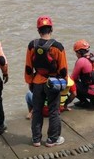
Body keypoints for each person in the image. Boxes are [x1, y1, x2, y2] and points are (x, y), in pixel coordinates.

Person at [25, 15, 68, 148]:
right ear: (51, 29)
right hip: (53, 83)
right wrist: (63, 84)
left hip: (37, 82)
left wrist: (30, 82)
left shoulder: (32, 45)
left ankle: (36, 139)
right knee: (53, 112)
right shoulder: (58, 47)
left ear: (38, 30)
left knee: (37, 111)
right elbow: (63, 70)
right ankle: (52, 140)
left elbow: (28, 67)